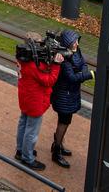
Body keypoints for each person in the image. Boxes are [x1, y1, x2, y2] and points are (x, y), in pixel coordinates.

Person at [15, 38, 64, 171]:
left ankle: (20, 150)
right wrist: (56, 65)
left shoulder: (22, 60)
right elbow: (49, 80)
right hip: (35, 102)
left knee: (23, 123)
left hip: (25, 98)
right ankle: (27, 158)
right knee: (32, 131)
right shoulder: (34, 66)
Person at [49, 30, 93, 168]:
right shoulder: (64, 58)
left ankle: (58, 144)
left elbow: (83, 64)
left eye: (77, 41)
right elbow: (72, 78)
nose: (77, 44)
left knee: (65, 121)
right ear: (68, 44)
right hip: (64, 95)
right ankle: (56, 151)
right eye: (74, 42)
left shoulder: (76, 51)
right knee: (64, 121)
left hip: (69, 94)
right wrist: (89, 75)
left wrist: (82, 72)